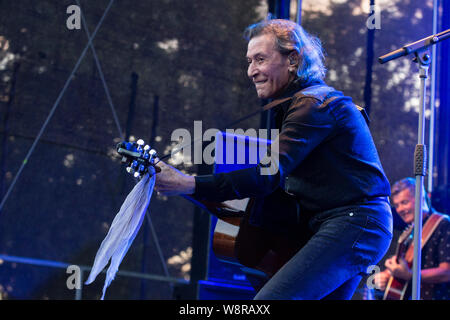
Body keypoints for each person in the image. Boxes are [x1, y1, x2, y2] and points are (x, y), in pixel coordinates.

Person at [154, 18, 393, 299]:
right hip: (349, 225)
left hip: (355, 223)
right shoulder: (303, 105)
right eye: (249, 61)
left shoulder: (313, 105)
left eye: (260, 59)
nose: (251, 71)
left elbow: (266, 174)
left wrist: (188, 183)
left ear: (292, 59)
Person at [374, 177, 450, 300]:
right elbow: (406, 268)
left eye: (404, 202)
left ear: (422, 199)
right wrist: (388, 274)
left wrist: (410, 275)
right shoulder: (413, 229)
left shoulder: (443, 224)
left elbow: (447, 272)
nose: (400, 210)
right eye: (397, 205)